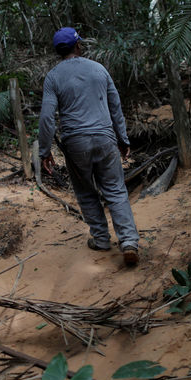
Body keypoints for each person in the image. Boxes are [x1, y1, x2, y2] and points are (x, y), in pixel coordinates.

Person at [38, 27, 140, 266]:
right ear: (79, 46)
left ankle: (102, 240)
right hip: (105, 139)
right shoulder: (99, 69)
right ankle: (128, 242)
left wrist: (44, 151)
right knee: (115, 190)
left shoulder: (53, 77)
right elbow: (115, 107)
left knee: (85, 191)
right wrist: (123, 139)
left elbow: (46, 118)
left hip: (75, 143)